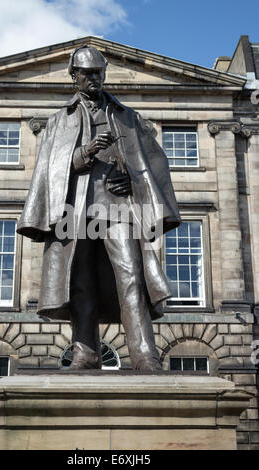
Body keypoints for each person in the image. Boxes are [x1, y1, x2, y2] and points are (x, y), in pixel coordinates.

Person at [17, 45, 181, 371]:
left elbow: (152, 166)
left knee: (132, 275)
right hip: (75, 211)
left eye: (98, 72)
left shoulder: (126, 116)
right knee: (80, 282)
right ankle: (85, 353)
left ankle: (145, 355)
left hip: (117, 209)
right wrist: (86, 152)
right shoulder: (57, 121)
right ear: (73, 75)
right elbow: (50, 170)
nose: (94, 78)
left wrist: (132, 183)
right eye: (86, 73)